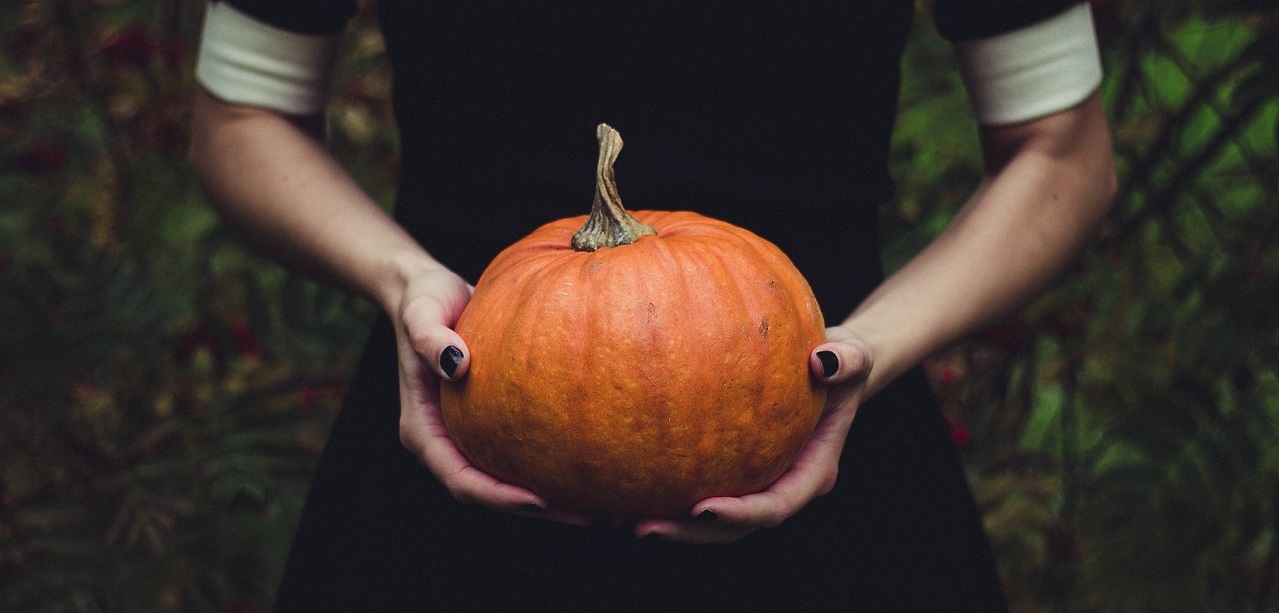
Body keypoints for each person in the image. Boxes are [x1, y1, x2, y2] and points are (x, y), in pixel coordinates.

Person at [190, 1, 1116, 610]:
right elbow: (241, 118)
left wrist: (868, 346)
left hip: (821, 429)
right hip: (457, 421)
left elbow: (1062, 149)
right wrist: (401, 281)